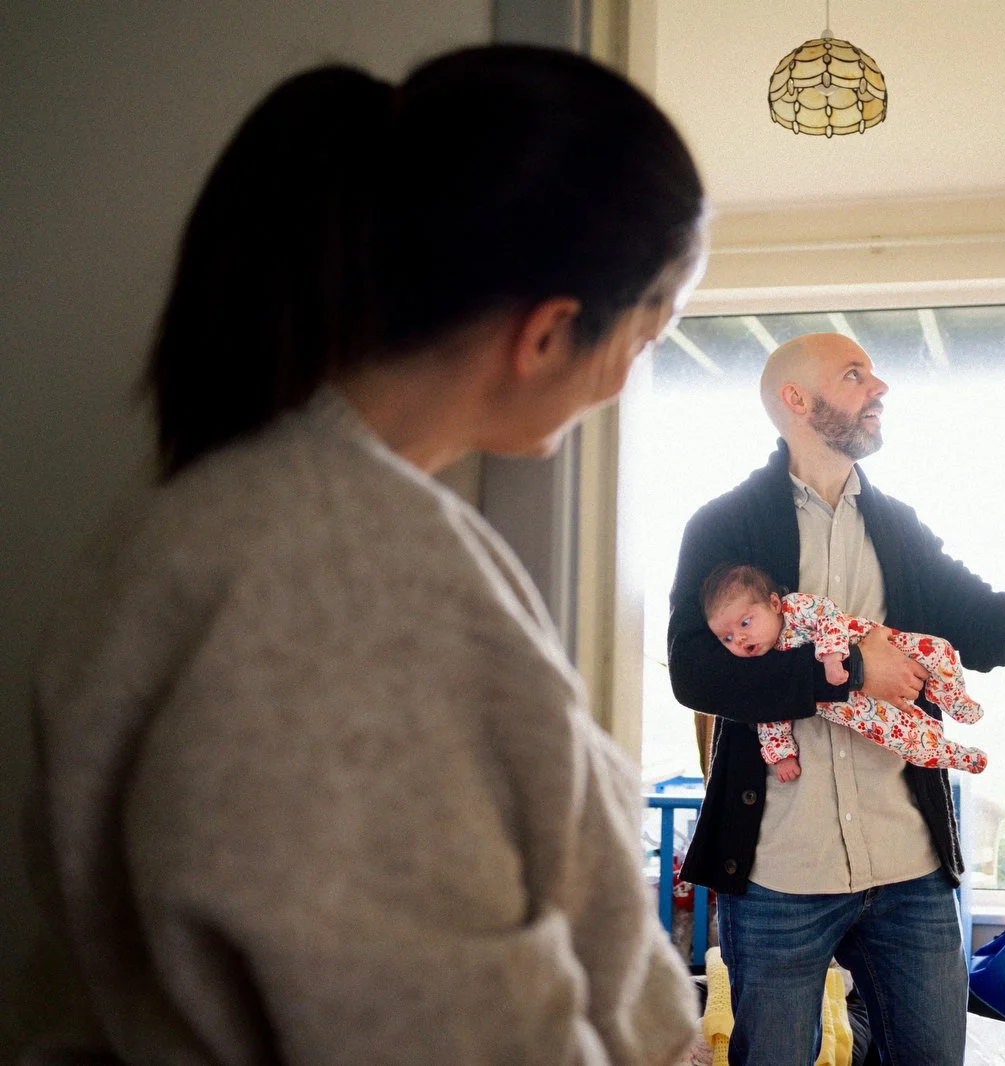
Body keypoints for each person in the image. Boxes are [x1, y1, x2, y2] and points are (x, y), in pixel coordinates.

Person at [24, 46, 707, 1065]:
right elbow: (435, 1026)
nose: (626, 381)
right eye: (649, 339)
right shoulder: (334, 574)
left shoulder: (275, 525)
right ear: (553, 330)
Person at [666, 332, 1005, 1066]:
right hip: (776, 875)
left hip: (909, 872)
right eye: (855, 375)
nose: (879, 386)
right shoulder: (724, 527)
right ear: (796, 400)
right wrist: (851, 672)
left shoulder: (898, 528)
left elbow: (992, 634)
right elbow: (695, 675)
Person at [701, 562, 988, 779]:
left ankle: (951, 696)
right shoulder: (762, 666)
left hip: (881, 644)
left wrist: (832, 657)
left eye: (745, 623)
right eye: (726, 638)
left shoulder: (795, 609)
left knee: (939, 650)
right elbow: (767, 711)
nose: (738, 639)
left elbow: (828, 615)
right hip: (858, 710)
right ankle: (955, 754)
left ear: (773, 604)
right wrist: (782, 756)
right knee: (909, 741)